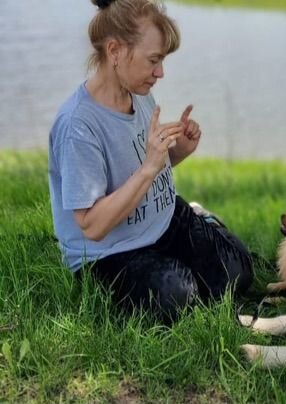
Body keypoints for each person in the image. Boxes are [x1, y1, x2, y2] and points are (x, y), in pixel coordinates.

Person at [48, 0, 253, 323]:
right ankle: (192, 241)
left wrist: (176, 153)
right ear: (115, 51)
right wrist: (149, 167)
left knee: (238, 272)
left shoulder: (140, 94)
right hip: (108, 252)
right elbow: (92, 226)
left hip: (162, 219)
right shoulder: (79, 126)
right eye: (153, 61)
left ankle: (201, 219)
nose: (160, 73)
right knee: (178, 297)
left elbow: (143, 169)